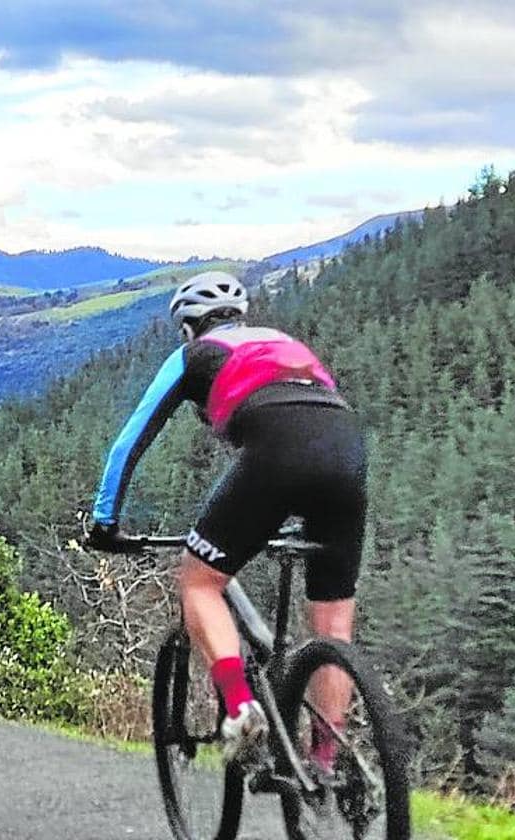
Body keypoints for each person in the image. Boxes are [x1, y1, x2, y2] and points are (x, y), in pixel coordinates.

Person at [85, 270, 367, 767]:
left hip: (276, 452)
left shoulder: (193, 355)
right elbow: (315, 414)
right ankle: (326, 760)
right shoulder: (286, 345)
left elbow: (131, 439)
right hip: (346, 452)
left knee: (199, 581)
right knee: (332, 626)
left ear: (190, 327)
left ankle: (240, 708)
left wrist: (104, 522)